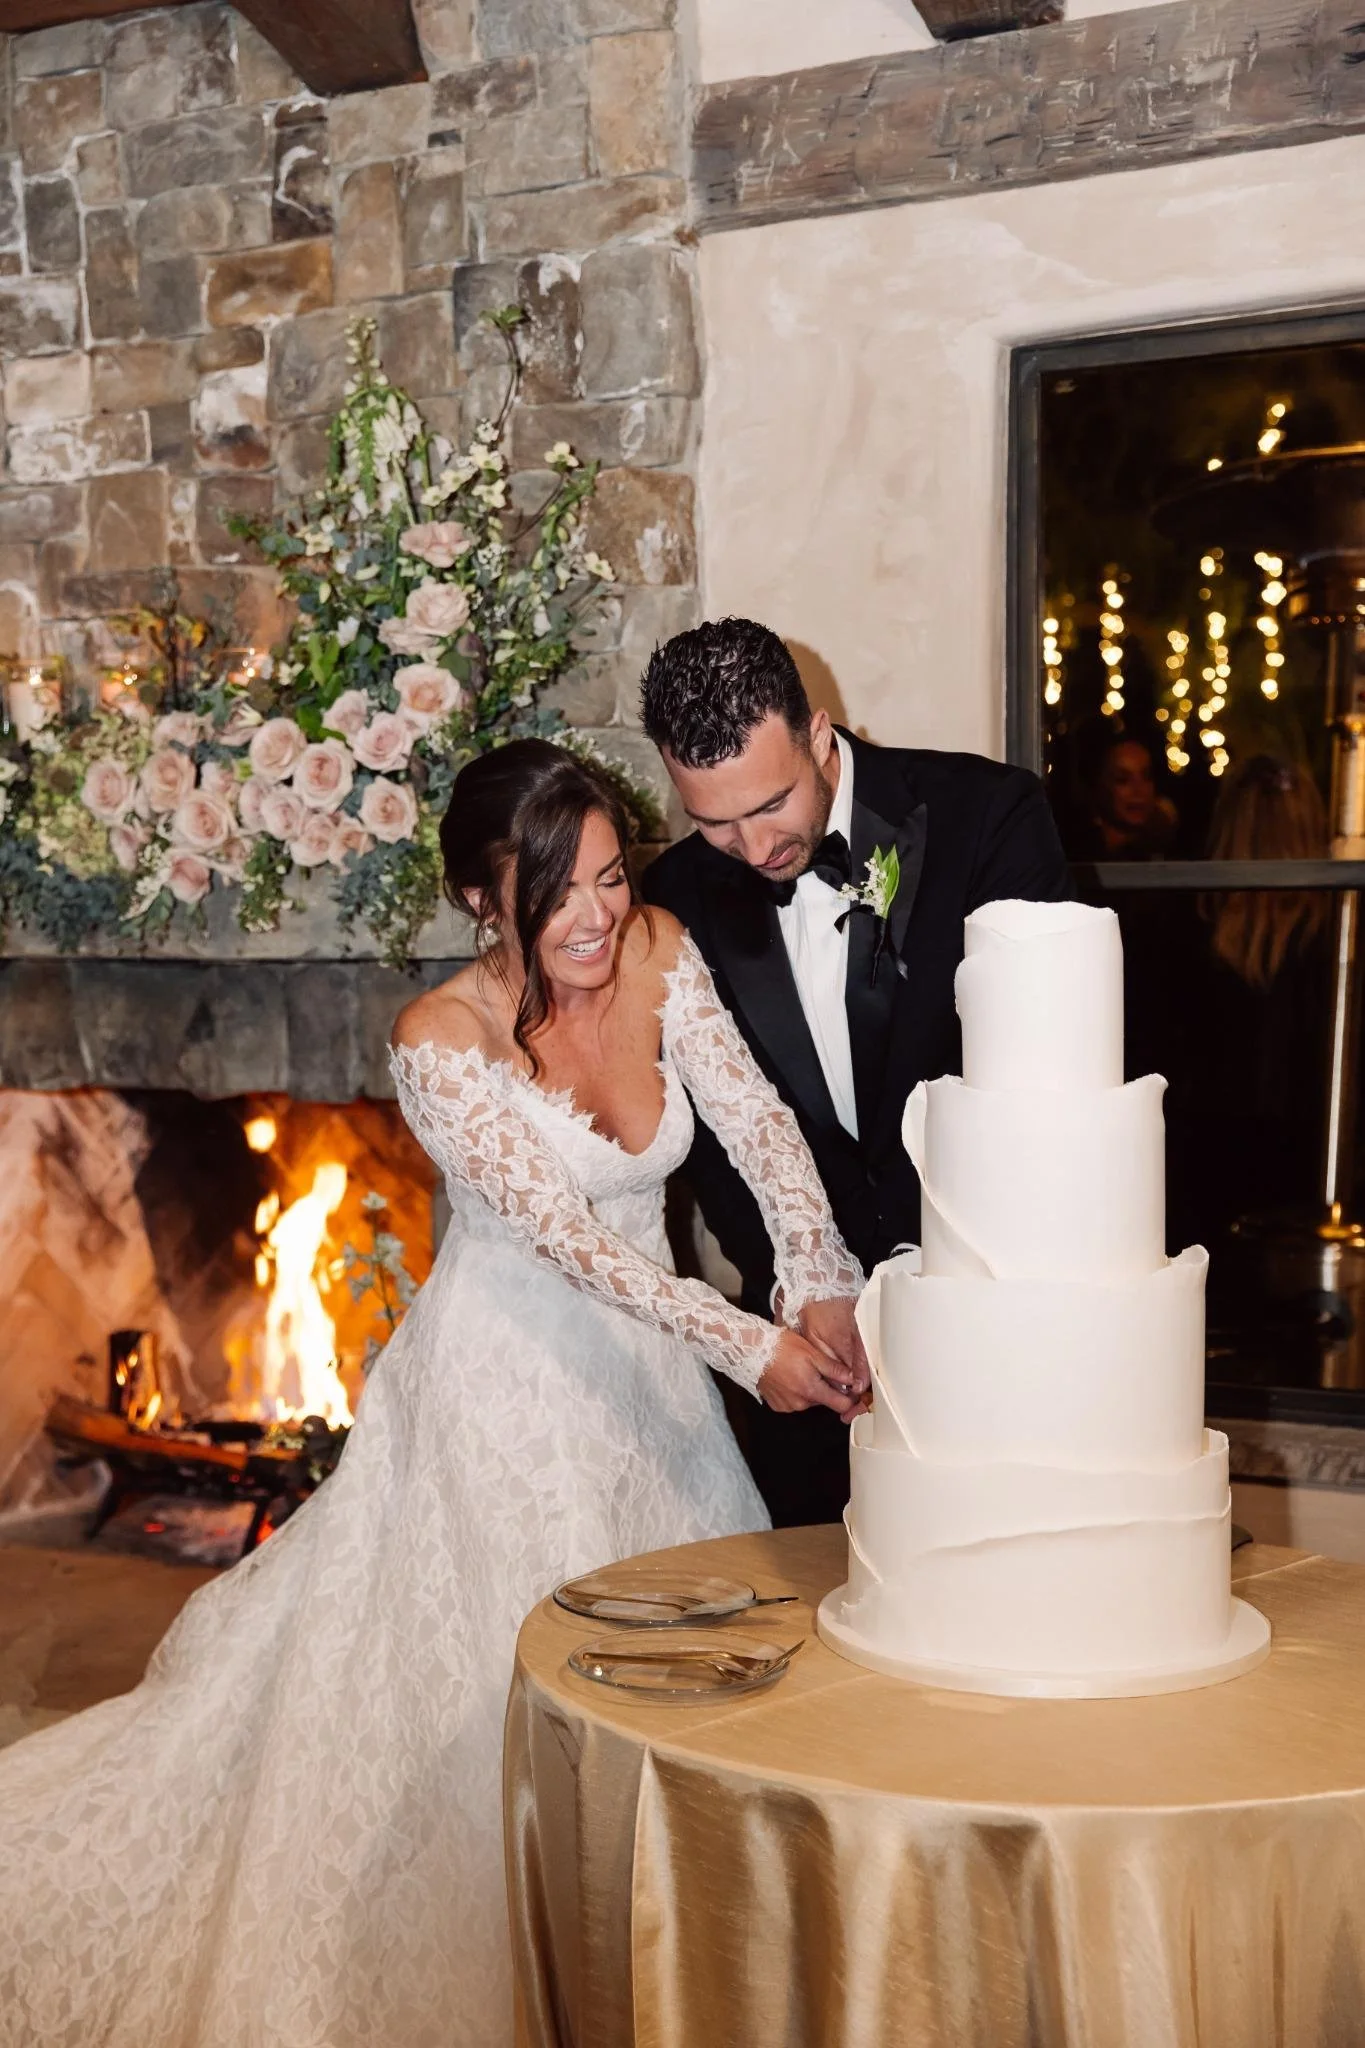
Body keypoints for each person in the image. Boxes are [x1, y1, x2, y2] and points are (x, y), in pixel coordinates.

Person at [0, 741, 865, 2048]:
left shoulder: (657, 950)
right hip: (507, 1392)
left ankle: (683, 1955)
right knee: (513, 1711)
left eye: (611, 878)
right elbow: (573, 1250)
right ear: (481, 900)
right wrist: (751, 1349)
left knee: (685, 1673)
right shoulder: (437, 1043)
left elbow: (759, 1127)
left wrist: (816, 1279)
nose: (592, 916)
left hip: (654, 1383)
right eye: (554, 893)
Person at [641, 617, 1071, 1526]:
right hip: (816, 1355)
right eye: (714, 822)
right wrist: (810, 1294)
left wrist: (926, 1286)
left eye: (770, 805)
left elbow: (1045, 1080)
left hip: (994, 1312)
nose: (754, 850)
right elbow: (712, 1144)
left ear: (820, 735)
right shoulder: (674, 897)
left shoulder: (987, 819)